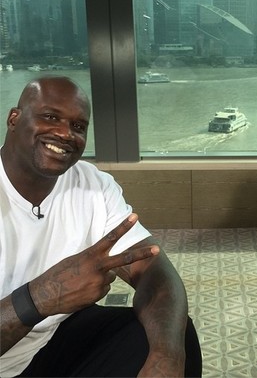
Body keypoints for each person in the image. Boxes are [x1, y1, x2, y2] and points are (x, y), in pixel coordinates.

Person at [0, 76, 202, 377]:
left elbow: (152, 270)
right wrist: (39, 297)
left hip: (50, 340)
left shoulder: (93, 184)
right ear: (14, 119)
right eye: (50, 117)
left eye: (78, 126)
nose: (65, 133)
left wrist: (166, 357)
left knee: (171, 332)